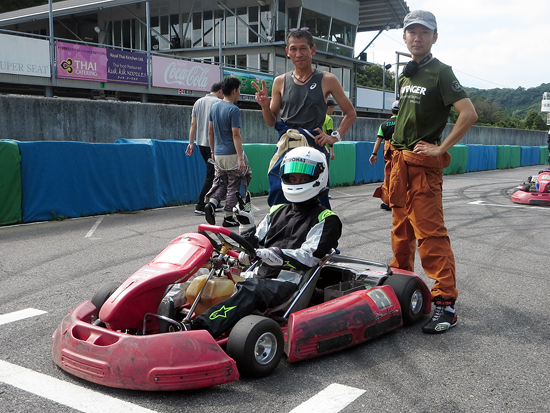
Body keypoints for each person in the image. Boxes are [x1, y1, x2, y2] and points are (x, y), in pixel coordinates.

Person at [374, 10, 477, 334]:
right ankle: (401, 287)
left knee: (430, 236)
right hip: (399, 164)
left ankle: (445, 303)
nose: (416, 37)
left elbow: (468, 113)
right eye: (411, 32)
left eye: (423, 32)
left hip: (422, 168)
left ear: (434, 37)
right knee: (401, 232)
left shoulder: (441, 72)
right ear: (404, 37)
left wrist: (441, 147)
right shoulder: (407, 73)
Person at [192, 147, 342, 338]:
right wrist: (246, 226)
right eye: (292, 178)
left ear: (319, 177)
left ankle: (199, 331)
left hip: (289, 284)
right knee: (205, 276)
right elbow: (253, 246)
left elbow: (309, 258)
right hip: (259, 274)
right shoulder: (277, 210)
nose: (297, 182)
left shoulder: (326, 219)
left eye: (303, 179)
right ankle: (165, 317)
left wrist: (273, 255)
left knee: (251, 290)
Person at [252, 29, 356, 208]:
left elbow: (351, 113)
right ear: (287, 52)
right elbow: (271, 122)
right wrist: (264, 105)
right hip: (286, 145)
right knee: (279, 192)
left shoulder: (327, 79)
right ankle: (280, 232)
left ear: (313, 50)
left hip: (313, 145)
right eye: (293, 49)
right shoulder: (280, 81)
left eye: (303, 48)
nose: (298, 54)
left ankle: (321, 233)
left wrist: (334, 137)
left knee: (315, 196)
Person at [204, 77, 252, 228]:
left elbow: (210, 132)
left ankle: (212, 203)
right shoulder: (233, 110)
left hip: (218, 153)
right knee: (234, 184)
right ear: (234, 91)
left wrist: (212, 151)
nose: (239, 94)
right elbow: (235, 135)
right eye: (239, 91)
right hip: (232, 153)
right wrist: (240, 158)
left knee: (222, 182)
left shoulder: (214, 107)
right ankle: (228, 216)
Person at [186, 82, 225, 215]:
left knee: (215, 173)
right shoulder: (218, 103)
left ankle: (215, 201)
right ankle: (201, 204)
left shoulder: (198, 102)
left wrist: (191, 143)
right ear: (220, 91)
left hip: (201, 143)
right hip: (213, 145)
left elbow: (193, 124)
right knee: (212, 174)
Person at [370, 100, 400, 211]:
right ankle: (402, 201)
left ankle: (388, 202)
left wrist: (374, 153)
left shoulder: (384, 124)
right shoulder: (404, 123)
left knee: (388, 177)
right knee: (402, 177)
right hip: (402, 154)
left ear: (392, 110)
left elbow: (378, 139)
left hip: (388, 155)